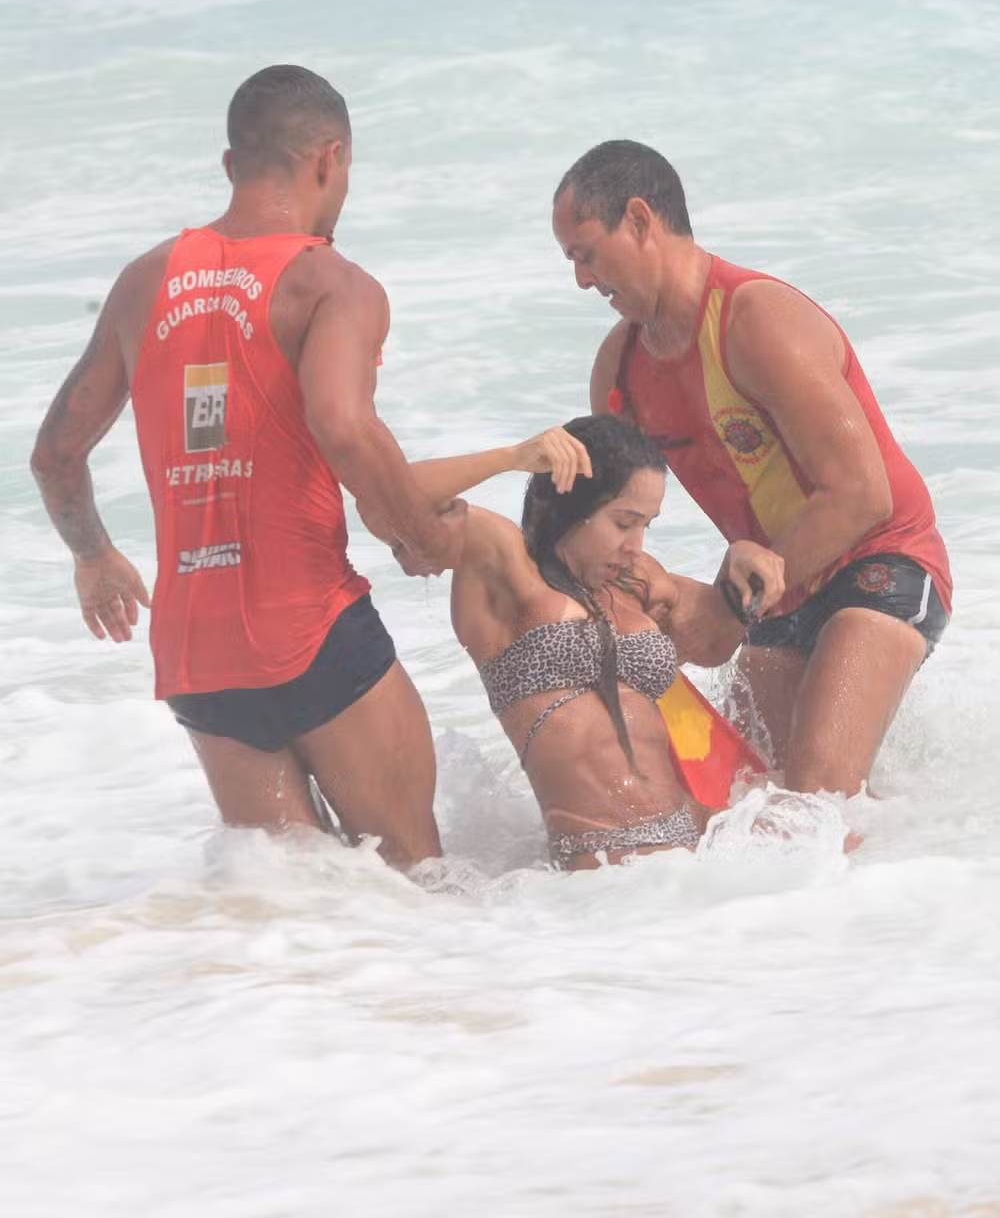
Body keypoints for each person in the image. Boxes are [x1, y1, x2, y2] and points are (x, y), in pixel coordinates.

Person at [30, 64, 465, 871]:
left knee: (296, 914)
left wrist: (92, 553)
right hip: (312, 631)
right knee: (420, 883)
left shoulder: (145, 281)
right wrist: (420, 533)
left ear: (231, 165)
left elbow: (54, 453)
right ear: (329, 160)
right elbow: (342, 423)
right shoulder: (329, 282)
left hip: (200, 658)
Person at [551, 140, 952, 798]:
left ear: (641, 220)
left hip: (882, 559)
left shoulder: (757, 319)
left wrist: (727, 608)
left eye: (585, 254)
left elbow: (861, 493)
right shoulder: (618, 369)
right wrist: (637, 590)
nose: (582, 281)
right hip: (777, 587)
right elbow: (610, 522)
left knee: (816, 792)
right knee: (746, 797)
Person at [386, 414, 785, 870]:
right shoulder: (505, 572)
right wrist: (513, 457)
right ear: (572, 504)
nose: (635, 544)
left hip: (694, 836)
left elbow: (711, 643)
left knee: (852, 840)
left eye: (645, 526)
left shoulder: (635, 579)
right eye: (623, 522)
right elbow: (392, 500)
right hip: (601, 866)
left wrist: (739, 565)